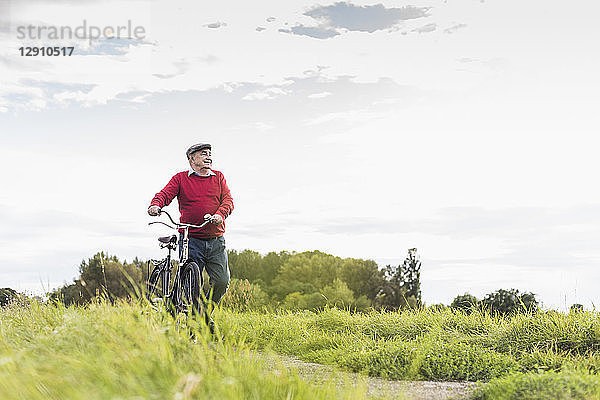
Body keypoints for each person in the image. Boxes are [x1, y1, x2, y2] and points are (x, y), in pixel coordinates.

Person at [148, 143, 234, 332]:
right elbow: (165, 194)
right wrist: (156, 205)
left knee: (221, 281)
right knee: (191, 283)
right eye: (204, 154)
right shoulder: (180, 179)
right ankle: (189, 318)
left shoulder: (218, 177)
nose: (209, 157)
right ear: (192, 158)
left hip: (216, 239)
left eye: (210, 154)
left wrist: (220, 214)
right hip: (191, 238)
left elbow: (228, 200)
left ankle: (203, 314)